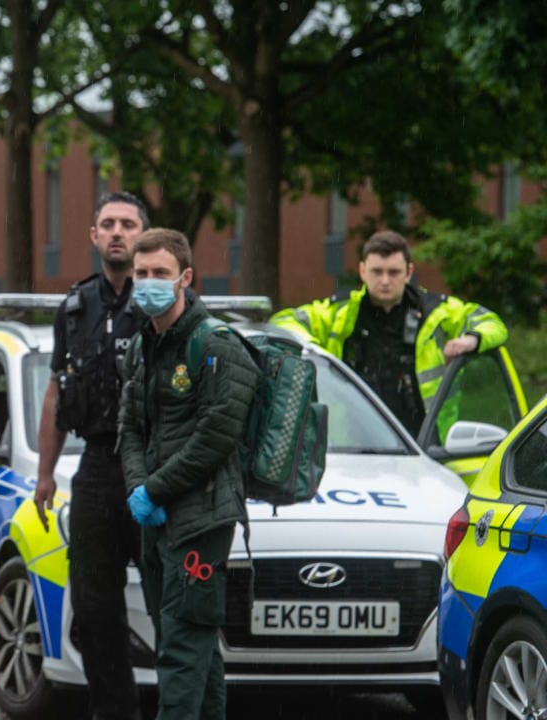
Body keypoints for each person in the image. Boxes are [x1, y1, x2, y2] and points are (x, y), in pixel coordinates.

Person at [118, 228, 258, 720]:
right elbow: (130, 428)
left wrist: (154, 488)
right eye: (142, 274)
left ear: (186, 278)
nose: (149, 282)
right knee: (191, 646)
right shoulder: (142, 347)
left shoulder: (215, 345)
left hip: (201, 518)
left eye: (161, 273)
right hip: (156, 520)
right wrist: (139, 488)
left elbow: (216, 436)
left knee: (181, 648)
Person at [32, 191, 149, 720]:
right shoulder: (76, 306)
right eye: (108, 223)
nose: (118, 232)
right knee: (96, 608)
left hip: (155, 465)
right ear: (94, 236)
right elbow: (57, 392)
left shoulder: (160, 299)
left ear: (143, 233)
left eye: (128, 223)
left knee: (169, 602)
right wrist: (44, 475)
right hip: (98, 466)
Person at [271, 229, 507, 435]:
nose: (385, 281)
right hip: (354, 443)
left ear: (409, 272)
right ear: (362, 271)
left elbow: (492, 323)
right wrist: (313, 348)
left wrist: (471, 340)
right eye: (377, 271)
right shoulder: (340, 312)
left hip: (424, 443)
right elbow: (283, 320)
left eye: (393, 272)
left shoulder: (436, 311)